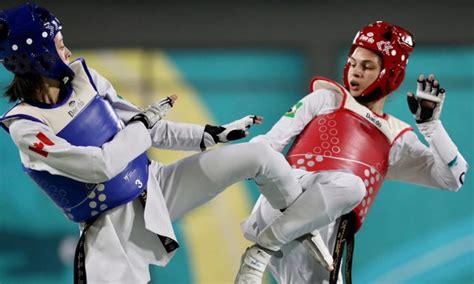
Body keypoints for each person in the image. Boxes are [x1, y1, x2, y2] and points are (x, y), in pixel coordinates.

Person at [0, 3, 317, 283]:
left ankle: (302, 235)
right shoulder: (26, 126)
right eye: (58, 44)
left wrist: (211, 134)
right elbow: (101, 165)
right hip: (111, 233)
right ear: (38, 57)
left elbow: (148, 128)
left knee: (260, 155)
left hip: (157, 185)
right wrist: (144, 123)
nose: (66, 51)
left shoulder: (87, 77)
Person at [235, 21, 468, 283]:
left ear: (391, 75)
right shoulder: (327, 99)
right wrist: (240, 162)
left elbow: (454, 177)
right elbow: (269, 143)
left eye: (367, 66)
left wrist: (432, 128)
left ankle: (262, 250)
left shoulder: (397, 136)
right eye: (353, 63)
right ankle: (263, 248)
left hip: (324, 235)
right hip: (283, 199)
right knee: (351, 186)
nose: (354, 73)